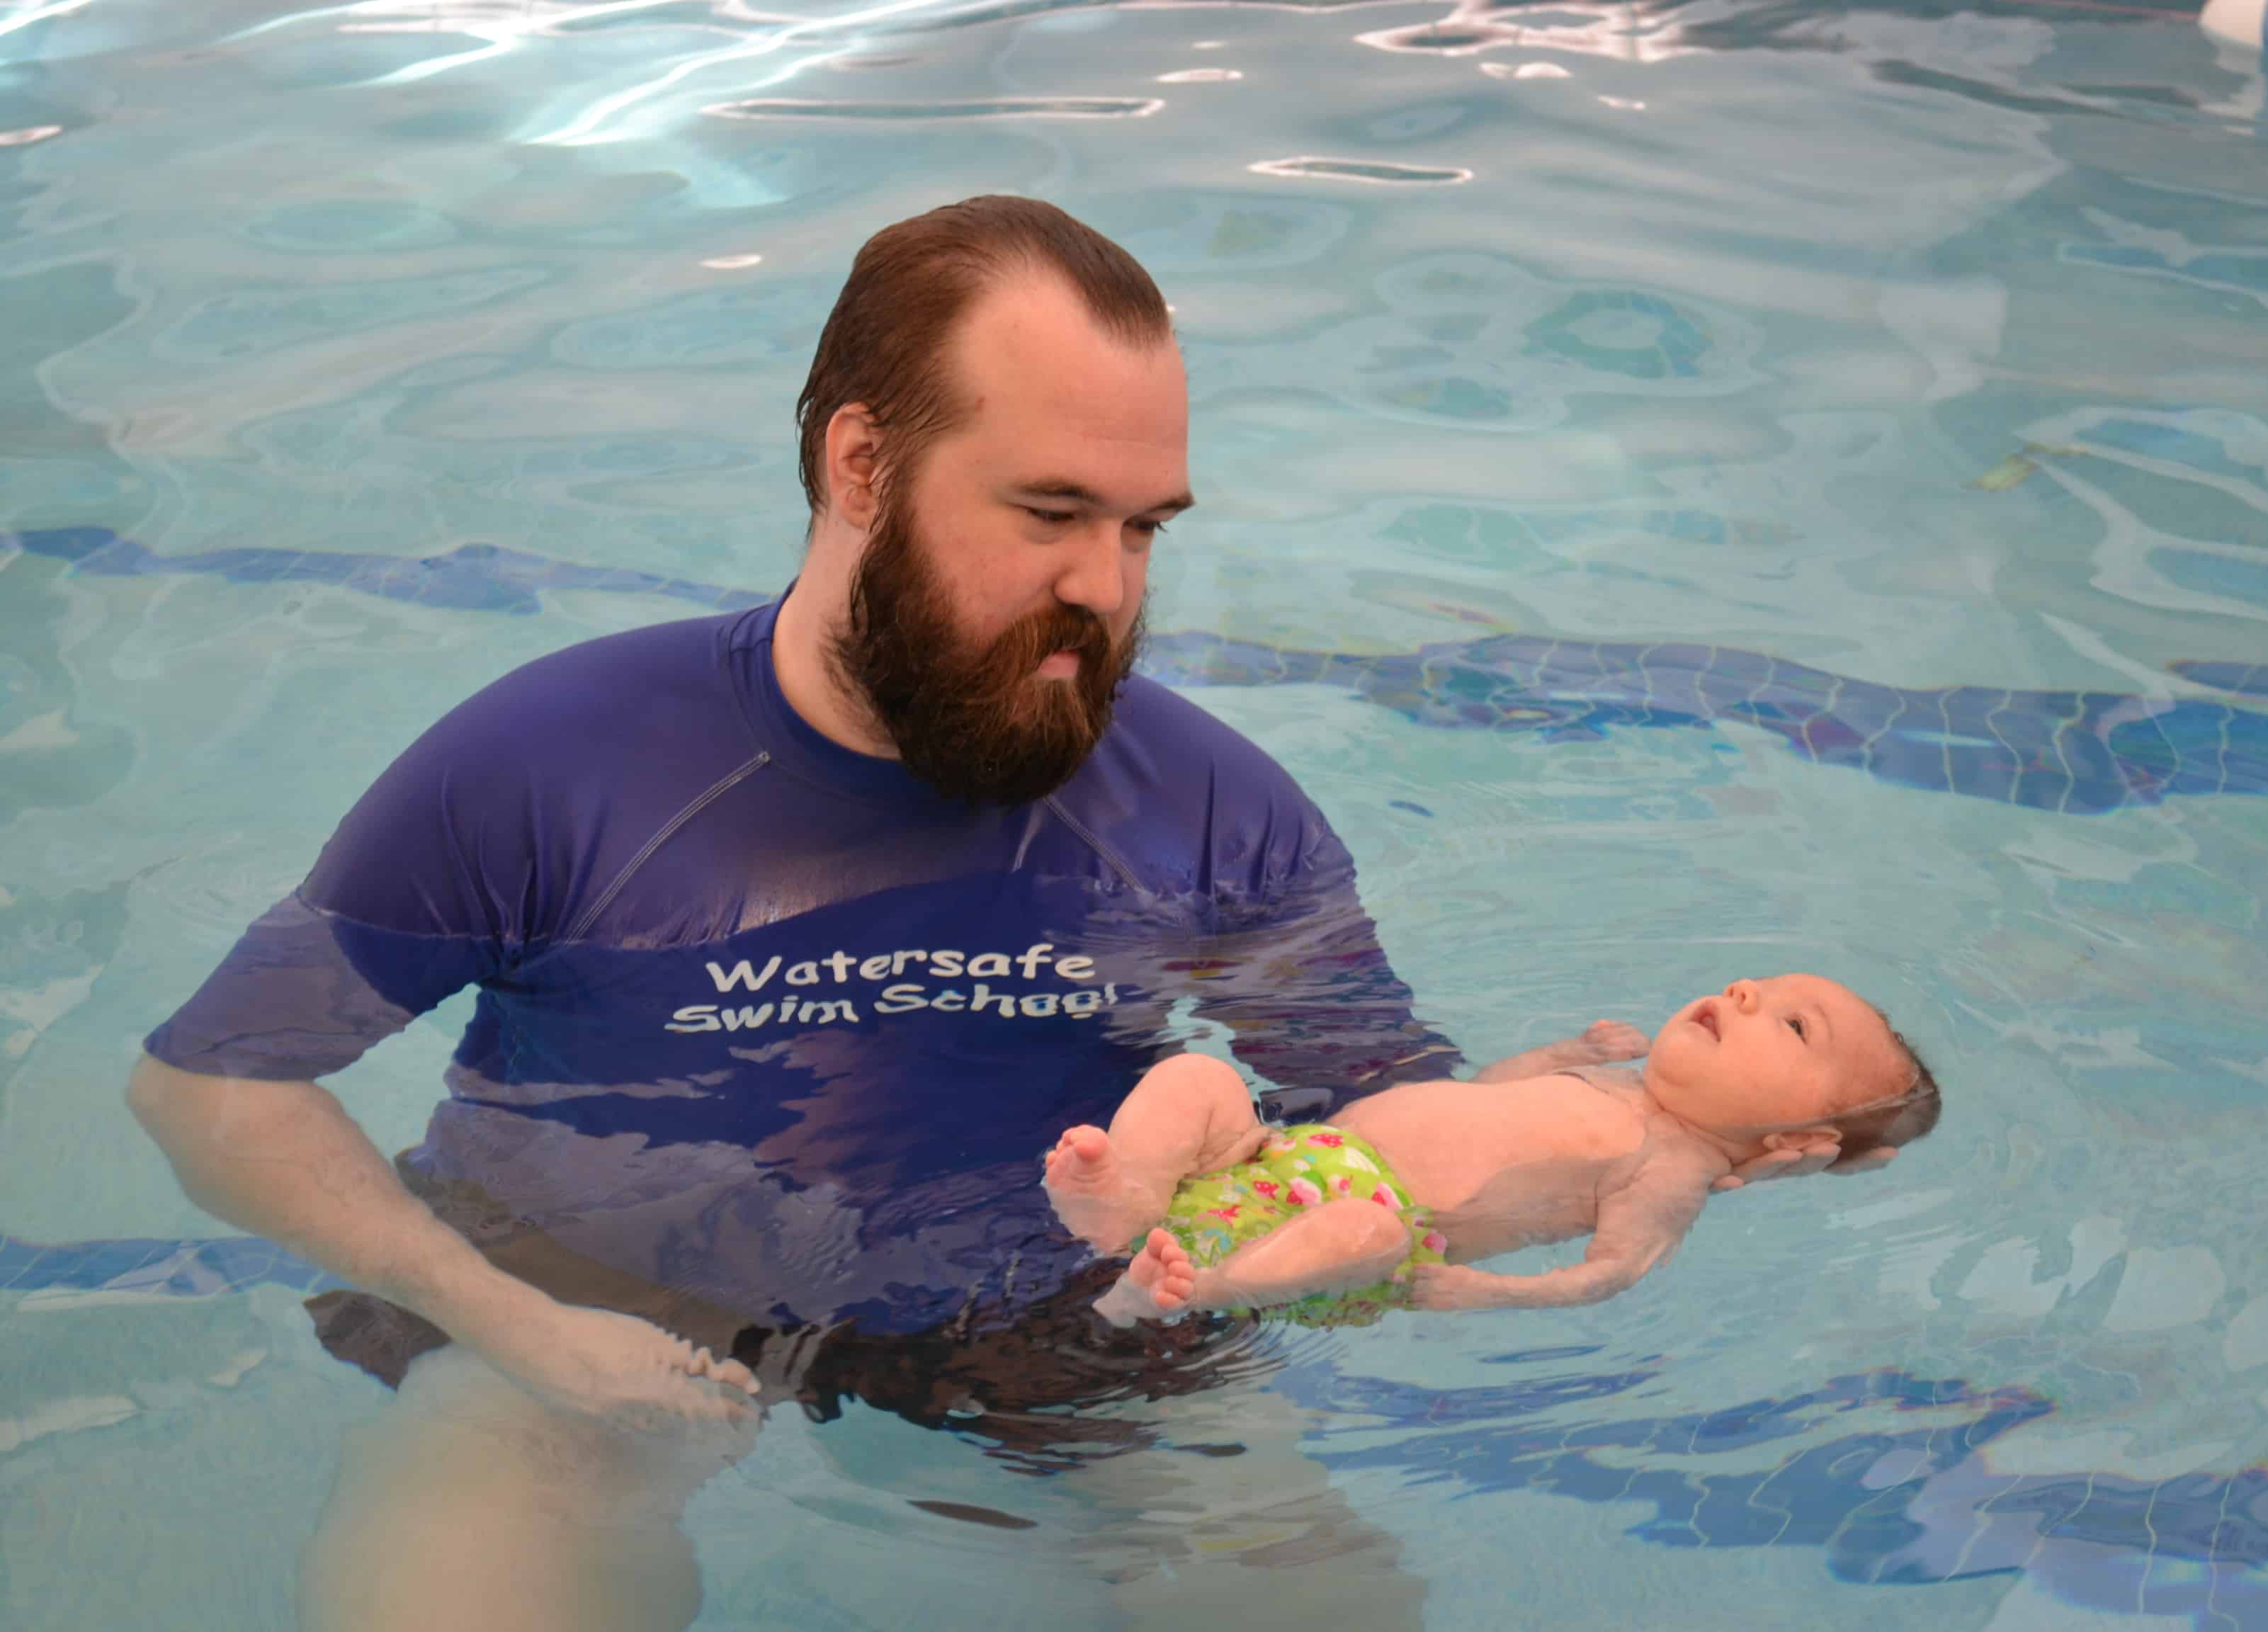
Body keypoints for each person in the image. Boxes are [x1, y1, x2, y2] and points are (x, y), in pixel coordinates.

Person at [123, 196, 1864, 1629]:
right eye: (1047, 514)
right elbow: (212, 1087)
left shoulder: (1206, 805)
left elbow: (1373, 1123)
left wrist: (1626, 1154)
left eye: (1140, 529)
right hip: (582, 1306)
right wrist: (503, 1322)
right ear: (862, 463)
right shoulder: (557, 761)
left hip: (1065, 1326)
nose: (1101, 591)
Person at [1046, 975, 1937, 1326]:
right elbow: (1485, 1095)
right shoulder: (1613, 1086)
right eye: (1761, 982)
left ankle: (1188, 1291)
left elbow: (1610, 1273)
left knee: (1366, 1235)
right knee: (1202, 1080)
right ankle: (1123, 1200)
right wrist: (1560, 1058)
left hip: (1337, 1230)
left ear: (1795, 1137)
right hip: (1274, 1154)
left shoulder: (1674, 1171)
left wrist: (1492, 1292)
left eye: (1789, 1022)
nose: (1743, 989)